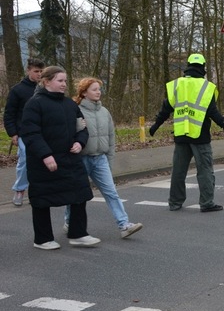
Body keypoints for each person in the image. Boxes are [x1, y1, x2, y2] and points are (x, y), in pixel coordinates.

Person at [19, 66, 101, 250]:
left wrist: (80, 142)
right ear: (46, 81)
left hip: (70, 159)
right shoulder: (34, 104)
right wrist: (46, 155)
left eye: (65, 81)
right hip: (44, 163)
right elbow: (30, 133)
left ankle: (78, 234)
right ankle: (42, 239)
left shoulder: (70, 105)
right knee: (42, 199)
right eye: (60, 80)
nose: (64, 84)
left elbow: (82, 128)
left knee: (80, 194)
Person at [149, 53, 224, 212]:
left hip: (181, 135)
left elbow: (166, 109)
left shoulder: (176, 85)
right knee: (205, 171)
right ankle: (207, 203)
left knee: (178, 172)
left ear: (187, 66)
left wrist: (156, 125)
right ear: (203, 68)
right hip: (200, 137)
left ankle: (175, 202)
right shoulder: (206, 87)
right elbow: (212, 111)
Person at [63, 77, 143, 238]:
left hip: (100, 159)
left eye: (99, 89)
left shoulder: (104, 112)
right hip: (81, 159)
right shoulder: (76, 110)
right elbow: (67, 133)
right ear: (84, 93)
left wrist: (109, 160)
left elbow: (111, 138)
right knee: (76, 194)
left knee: (111, 192)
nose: (98, 92)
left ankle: (124, 225)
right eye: (94, 89)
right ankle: (69, 221)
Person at [4, 58, 45, 206]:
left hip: (43, 132)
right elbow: (9, 113)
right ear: (28, 71)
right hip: (24, 133)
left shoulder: (47, 89)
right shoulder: (18, 90)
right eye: (36, 71)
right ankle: (20, 189)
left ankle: (38, 189)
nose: (39, 74)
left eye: (41, 71)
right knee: (25, 160)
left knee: (44, 159)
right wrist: (13, 133)